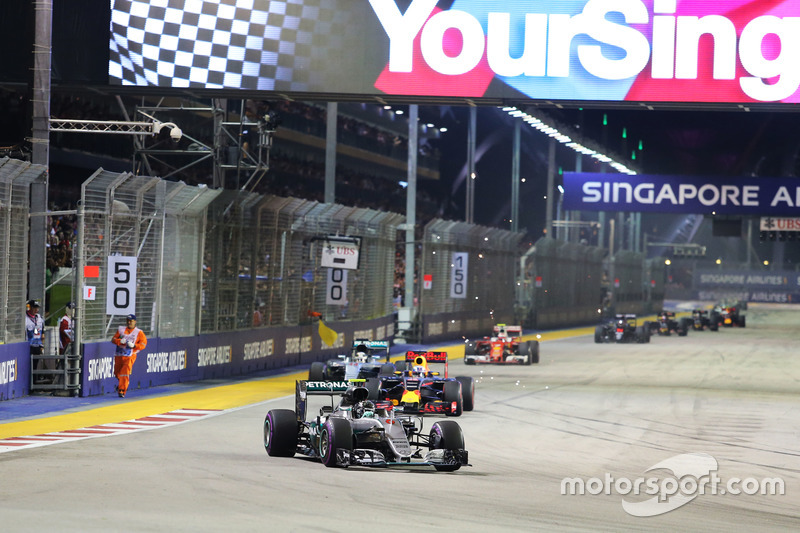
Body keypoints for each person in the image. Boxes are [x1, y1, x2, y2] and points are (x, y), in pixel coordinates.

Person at [111, 314, 147, 398]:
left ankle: (122, 390)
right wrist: (120, 341)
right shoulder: (121, 330)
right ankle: (123, 382)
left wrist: (134, 346)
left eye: (131, 321)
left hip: (130, 355)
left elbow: (143, 344)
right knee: (117, 373)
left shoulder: (139, 332)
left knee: (125, 372)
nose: (129, 322)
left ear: (135, 322)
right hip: (119, 354)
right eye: (128, 320)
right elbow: (113, 339)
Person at [26, 300, 47, 383]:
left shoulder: (39, 318)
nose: (36, 310)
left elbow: (42, 332)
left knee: (35, 366)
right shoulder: (25, 319)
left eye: (37, 308)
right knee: (28, 366)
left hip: (37, 345)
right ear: (30, 307)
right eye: (35, 308)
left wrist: (42, 344)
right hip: (28, 346)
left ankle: (33, 384)